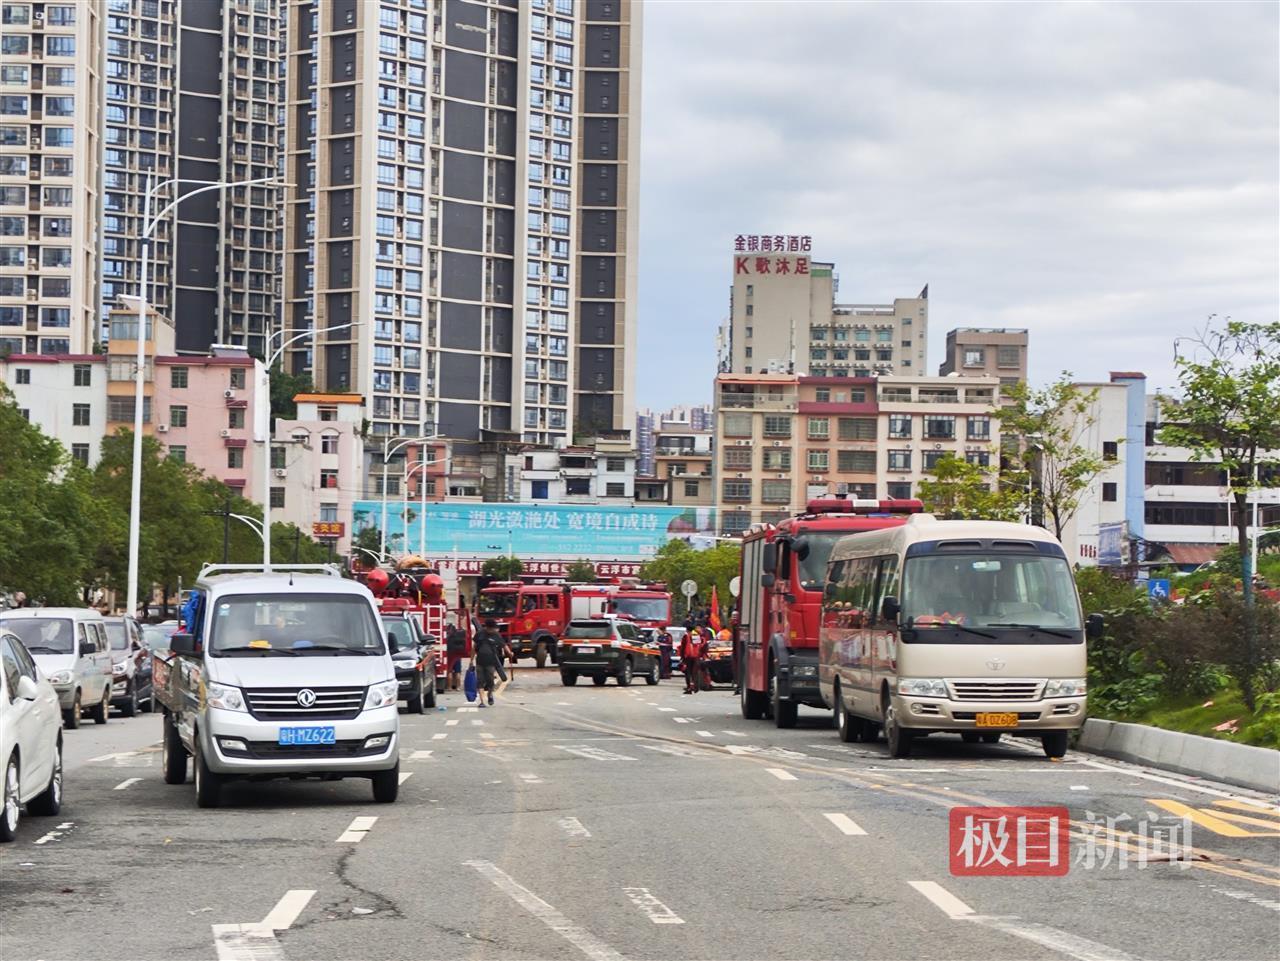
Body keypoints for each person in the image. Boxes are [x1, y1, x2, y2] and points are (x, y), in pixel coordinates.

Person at [471, 618, 505, 707]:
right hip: (480, 662)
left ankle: (490, 694)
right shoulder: (479, 635)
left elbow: (504, 645)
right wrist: (471, 661)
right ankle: (482, 702)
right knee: (480, 682)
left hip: (491, 662)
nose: (494, 629)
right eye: (492, 628)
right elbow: (474, 648)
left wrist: (510, 653)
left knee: (490, 682)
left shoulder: (496, 635)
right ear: (487, 627)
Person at [681, 629, 702, 694]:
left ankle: (689, 687)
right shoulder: (696, 635)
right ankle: (696, 687)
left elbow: (683, 647)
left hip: (688, 656)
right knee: (694, 672)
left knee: (688, 672)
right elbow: (698, 646)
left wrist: (682, 657)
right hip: (696, 656)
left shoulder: (686, 636)